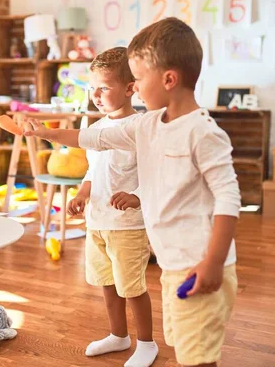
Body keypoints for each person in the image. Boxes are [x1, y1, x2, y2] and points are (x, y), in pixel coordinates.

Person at [24, 17, 240, 367]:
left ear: (169, 79)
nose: (135, 89)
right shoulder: (148, 124)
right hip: (173, 263)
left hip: (199, 263)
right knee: (186, 346)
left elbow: (229, 200)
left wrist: (213, 262)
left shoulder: (203, 133)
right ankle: (123, 335)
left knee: (198, 355)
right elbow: (91, 138)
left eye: (138, 79)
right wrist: (41, 132)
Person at [66, 47, 158, 367]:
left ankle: (146, 343)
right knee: (107, 283)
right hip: (97, 222)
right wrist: (81, 194)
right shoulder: (97, 129)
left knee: (132, 287)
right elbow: (94, 170)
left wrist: (137, 196)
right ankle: (118, 335)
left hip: (127, 225)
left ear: (130, 88)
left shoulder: (142, 127)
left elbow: (157, 173)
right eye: (93, 87)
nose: (96, 94)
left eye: (104, 87)